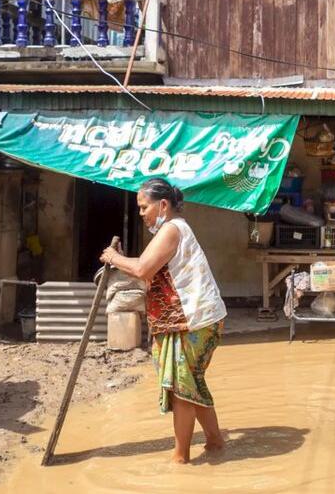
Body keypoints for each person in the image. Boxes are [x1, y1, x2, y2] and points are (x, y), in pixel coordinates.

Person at [101, 178, 228, 464]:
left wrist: (113, 257)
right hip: (191, 320)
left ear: (163, 205)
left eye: (144, 207)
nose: (141, 213)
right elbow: (144, 266)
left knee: (182, 388)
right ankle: (215, 441)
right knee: (191, 382)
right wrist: (121, 259)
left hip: (193, 320)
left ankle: (180, 458)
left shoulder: (171, 229)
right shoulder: (172, 230)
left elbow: (143, 269)